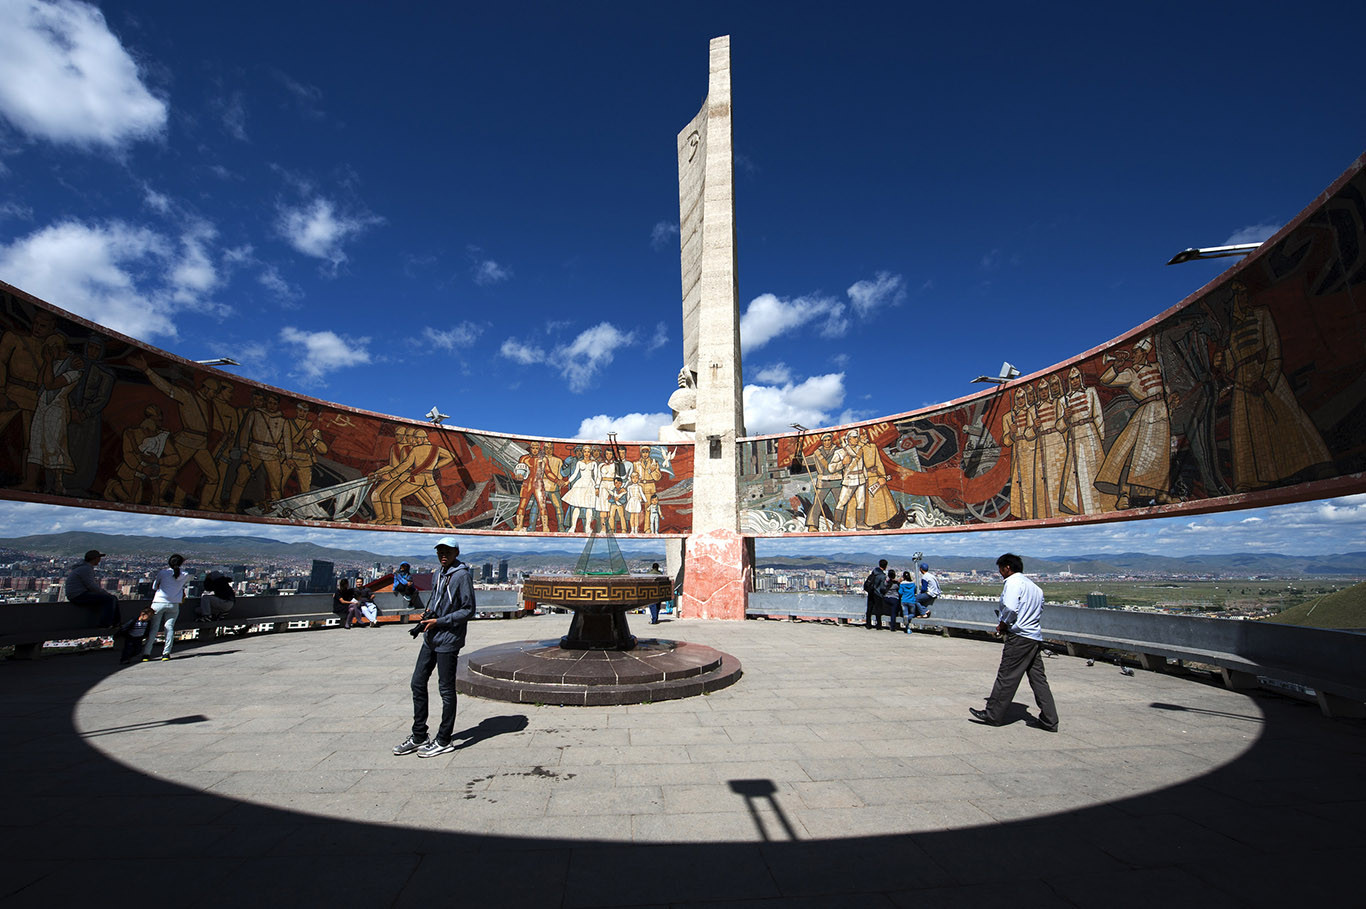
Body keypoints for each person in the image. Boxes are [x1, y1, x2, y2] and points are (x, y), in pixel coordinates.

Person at [393, 537, 476, 758]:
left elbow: (468, 610)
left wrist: (440, 621)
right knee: (417, 682)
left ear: (456, 552)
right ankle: (419, 735)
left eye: (447, 551)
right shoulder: (437, 573)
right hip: (431, 636)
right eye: (440, 550)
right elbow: (438, 601)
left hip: (448, 639)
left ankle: (444, 739)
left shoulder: (462, 576)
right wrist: (429, 616)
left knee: (446, 690)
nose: (443, 554)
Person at [970, 553, 1059, 732]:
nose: (1000, 573)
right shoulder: (1035, 587)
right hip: (1034, 637)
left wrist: (1003, 624)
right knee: (1038, 679)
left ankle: (993, 714)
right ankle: (1050, 720)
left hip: (1019, 637)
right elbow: (1040, 609)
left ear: (1007, 568)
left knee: (1007, 676)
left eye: (1001, 569)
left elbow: (1010, 607)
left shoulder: (1013, 583)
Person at [143, 554, 188, 661]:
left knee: (154, 628)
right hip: (174, 604)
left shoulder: (163, 573)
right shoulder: (185, 574)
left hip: (158, 602)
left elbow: (155, 586)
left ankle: (146, 653)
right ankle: (166, 653)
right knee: (169, 628)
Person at [64, 549, 120, 627]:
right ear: (95, 558)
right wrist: (105, 593)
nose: (100, 560)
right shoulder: (86, 569)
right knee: (110, 599)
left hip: (75, 594)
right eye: (99, 558)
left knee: (111, 598)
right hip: (78, 595)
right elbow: (91, 586)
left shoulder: (82, 568)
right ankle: (106, 623)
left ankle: (114, 623)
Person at [862, 559, 888, 629]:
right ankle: (878, 625)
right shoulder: (882, 576)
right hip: (877, 594)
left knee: (869, 608)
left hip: (871, 592)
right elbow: (882, 587)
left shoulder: (874, 572)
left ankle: (868, 624)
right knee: (878, 609)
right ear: (885, 566)